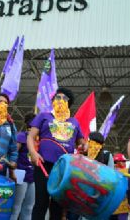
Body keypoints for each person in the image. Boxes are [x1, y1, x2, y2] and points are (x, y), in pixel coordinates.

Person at [27, 87, 87, 220]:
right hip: (43, 165)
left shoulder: (74, 122)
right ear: (52, 101)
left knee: (57, 206)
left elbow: (81, 142)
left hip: (63, 169)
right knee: (41, 202)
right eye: (57, 97)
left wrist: (85, 145)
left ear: (69, 103)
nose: (60, 100)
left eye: (64, 98)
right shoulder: (44, 116)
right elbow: (30, 137)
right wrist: (33, 153)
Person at [10, 113, 36, 220]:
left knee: (29, 208)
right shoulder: (21, 136)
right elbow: (14, 153)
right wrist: (13, 171)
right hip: (20, 174)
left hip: (32, 176)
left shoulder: (37, 140)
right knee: (16, 207)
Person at [111, 153, 130, 220]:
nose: (124, 163)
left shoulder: (127, 172)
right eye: (123, 161)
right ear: (117, 162)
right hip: (118, 204)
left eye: (125, 161)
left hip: (121, 204)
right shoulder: (125, 172)